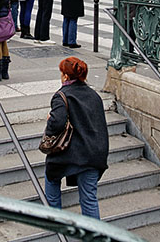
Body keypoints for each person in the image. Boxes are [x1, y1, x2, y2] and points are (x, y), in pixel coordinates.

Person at [44, 57, 109, 219]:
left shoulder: (61, 95)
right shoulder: (94, 95)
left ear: (65, 76)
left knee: (51, 179)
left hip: (70, 154)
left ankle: (56, 221)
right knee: (89, 199)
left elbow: (56, 124)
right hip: (94, 154)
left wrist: (49, 120)